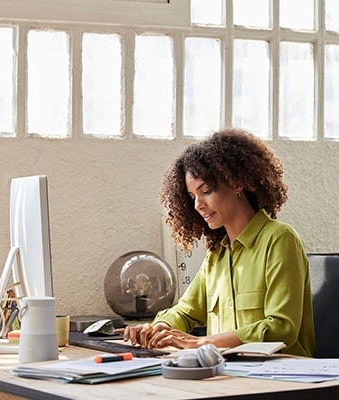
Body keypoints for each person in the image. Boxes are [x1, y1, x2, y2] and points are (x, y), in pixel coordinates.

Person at [119, 128, 316, 357]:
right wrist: (157, 329)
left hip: (282, 379)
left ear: (237, 183)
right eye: (192, 197)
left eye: (206, 191)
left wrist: (201, 343)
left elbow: (282, 328)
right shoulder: (217, 255)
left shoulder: (280, 240)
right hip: (227, 376)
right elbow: (185, 312)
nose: (198, 205)